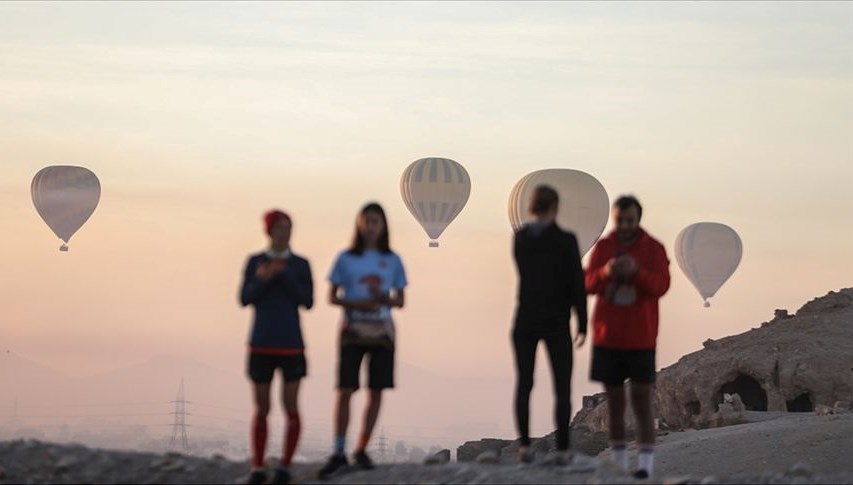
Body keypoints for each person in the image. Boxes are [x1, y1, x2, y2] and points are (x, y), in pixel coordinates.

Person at [318, 202, 408, 480]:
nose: (371, 226)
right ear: (359, 224)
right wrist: (357, 301)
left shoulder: (393, 260)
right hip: (352, 330)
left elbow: (400, 300)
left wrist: (382, 300)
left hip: (382, 332)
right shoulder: (345, 258)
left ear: (383, 226)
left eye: (376, 221)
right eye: (367, 221)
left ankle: (361, 448)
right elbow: (331, 296)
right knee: (345, 389)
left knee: (376, 390)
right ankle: (339, 450)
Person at [584, 195, 670, 479]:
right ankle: (620, 463)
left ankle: (645, 465)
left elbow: (661, 286)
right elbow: (586, 282)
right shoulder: (604, 247)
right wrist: (606, 272)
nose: (623, 225)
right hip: (608, 337)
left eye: (629, 220)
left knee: (642, 403)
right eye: (619, 220)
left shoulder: (653, 249)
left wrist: (638, 274)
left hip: (640, 338)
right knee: (615, 403)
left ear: (638, 219)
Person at [511, 184, 588, 465]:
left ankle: (523, 446)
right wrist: (583, 320)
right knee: (562, 385)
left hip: (526, 318)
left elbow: (526, 274)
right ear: (555, 207)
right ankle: (564, 447)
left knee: (524, 383)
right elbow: (576, 283)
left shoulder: (521, 238)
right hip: (556, 320)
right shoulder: (566, 241)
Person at [239, 210, 314, 485]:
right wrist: (262, 278)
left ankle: (284, 466)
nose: (286, 232)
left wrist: (283, 278)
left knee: (291, 407)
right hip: (260, 343)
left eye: (289, 227)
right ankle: (258, 467)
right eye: (281, 227)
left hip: (291, 344)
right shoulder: (255, 262)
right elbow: (245, 298)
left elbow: (308, 300)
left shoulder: (300, 265)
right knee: (261, 408)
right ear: (269, 231)